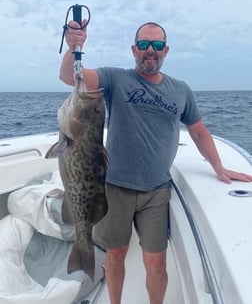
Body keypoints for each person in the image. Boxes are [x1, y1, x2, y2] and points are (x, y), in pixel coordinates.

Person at [60, 20, 252, 304]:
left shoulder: (181, 90)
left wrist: (219, 167)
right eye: (144, 44)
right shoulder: (116, 79)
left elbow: (198, 131)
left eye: (158, 45)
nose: (151, 50)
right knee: (115, 254)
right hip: (114, 187)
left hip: (156, 191)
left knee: (157, 264)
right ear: (134, 49)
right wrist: (73, 47)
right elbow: (70, 77)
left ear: (166, 51)